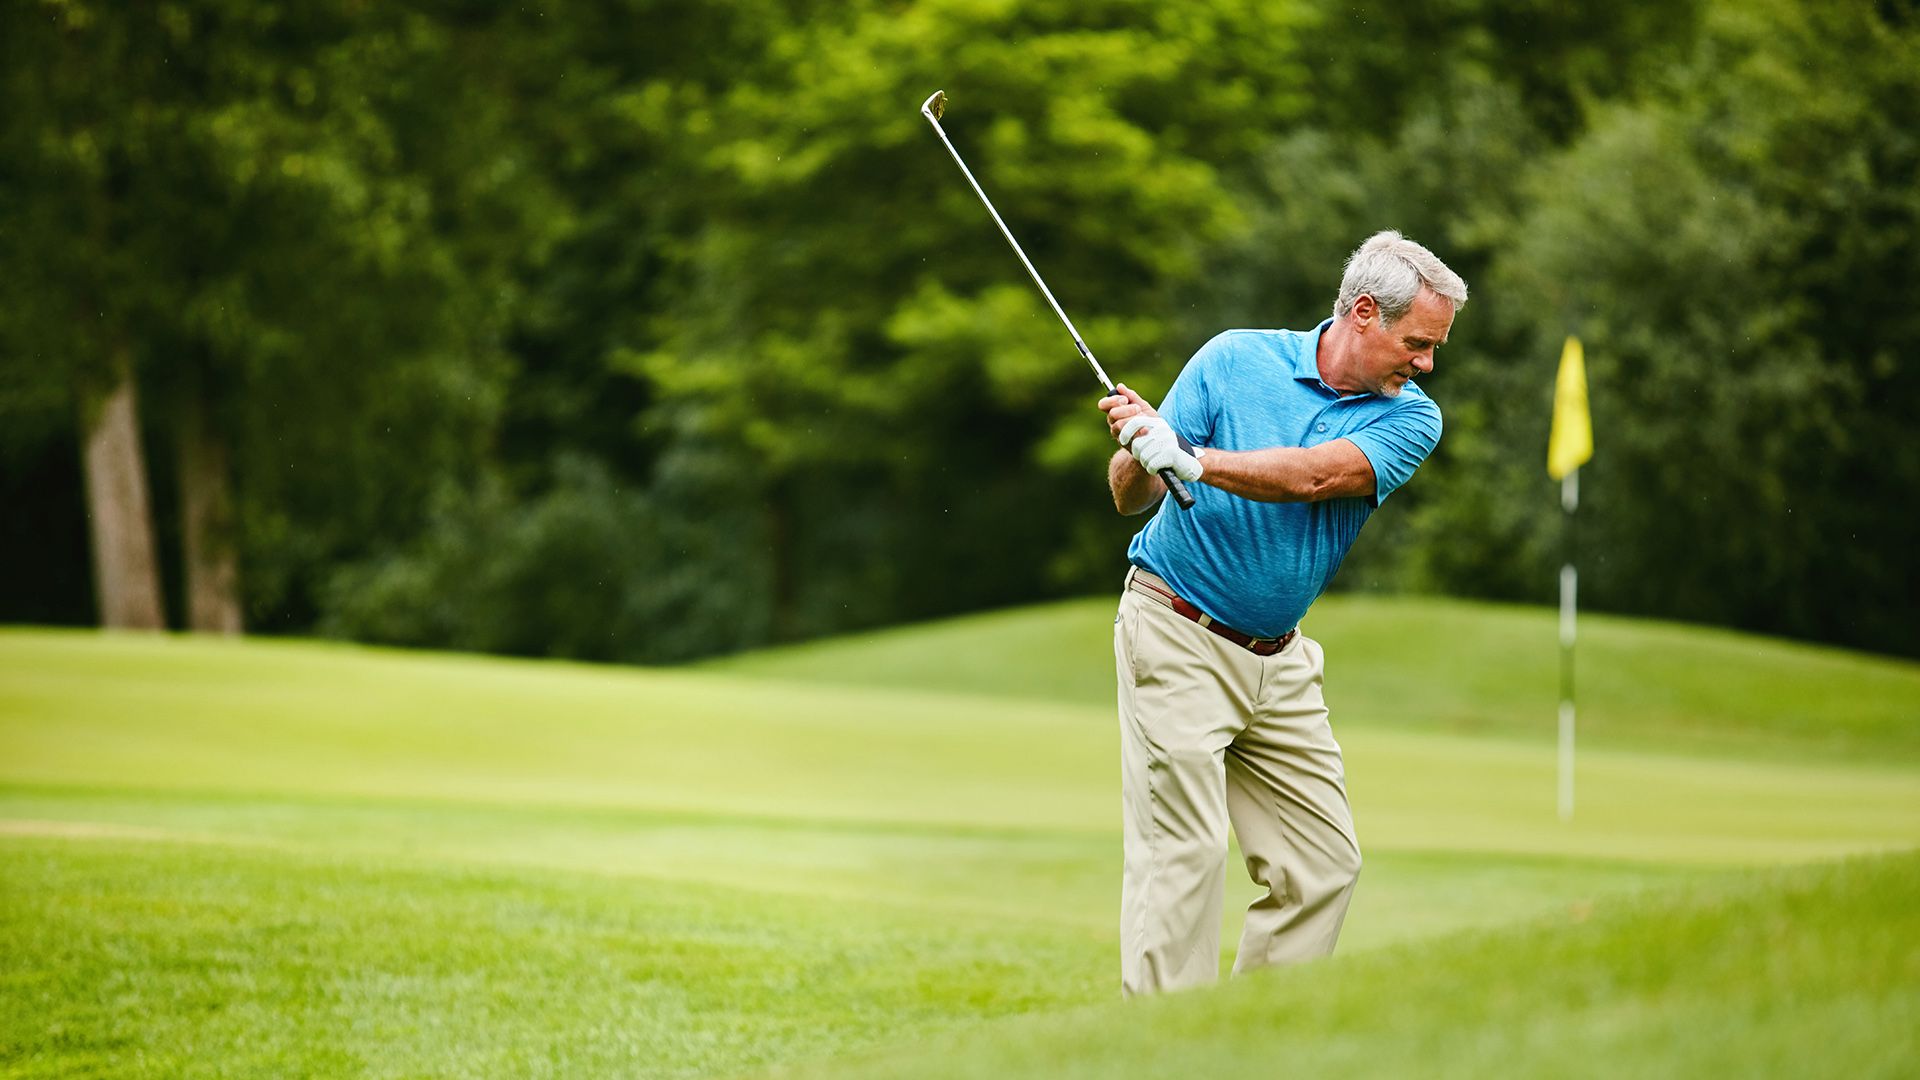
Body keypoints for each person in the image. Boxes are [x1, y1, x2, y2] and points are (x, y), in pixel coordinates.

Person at [1098, 229, 1466, 996]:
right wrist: (1141, 447)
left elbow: (1315, 477)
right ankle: (1161, 1057)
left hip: (1282, 660)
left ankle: (1248, 1042)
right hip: (1177, 628)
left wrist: (1195, 461)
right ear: (1364, 312)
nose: (1427, 363)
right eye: (1418, 342)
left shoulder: (1411, 418)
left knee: (1324, 866)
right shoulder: (1234, 358)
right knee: (1186, 857)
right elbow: (1129, 493)